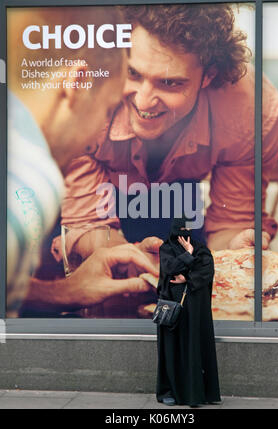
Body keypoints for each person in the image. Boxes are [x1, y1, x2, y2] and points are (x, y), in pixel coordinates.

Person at [54, 4, 278, 274]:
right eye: (133, 73)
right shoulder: (79, 92)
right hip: (93, 203)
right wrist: (125, 257)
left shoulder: (250, 110)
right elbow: (87, 221)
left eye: (170, 83)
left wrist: (234, 247)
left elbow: (229, 226)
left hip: (180, 203)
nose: (143, 101)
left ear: (208, 76)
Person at [6, 6, 159, 316]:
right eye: (106, 110)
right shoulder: (29, 179)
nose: (95, 137)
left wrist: (62, 292)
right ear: (77, 84)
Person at [156, 216, 221, 407]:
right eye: (179, 228)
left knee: (196, 349)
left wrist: (187, 278)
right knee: (171, 349)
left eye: (186, 228)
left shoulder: (201, 248)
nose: (183, 232)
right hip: (173, 312)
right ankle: (168, 392)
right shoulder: (166, 249)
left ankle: (199, 393)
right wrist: (189, 256)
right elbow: (170, 267)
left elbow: (207, 270)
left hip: (196, 313)